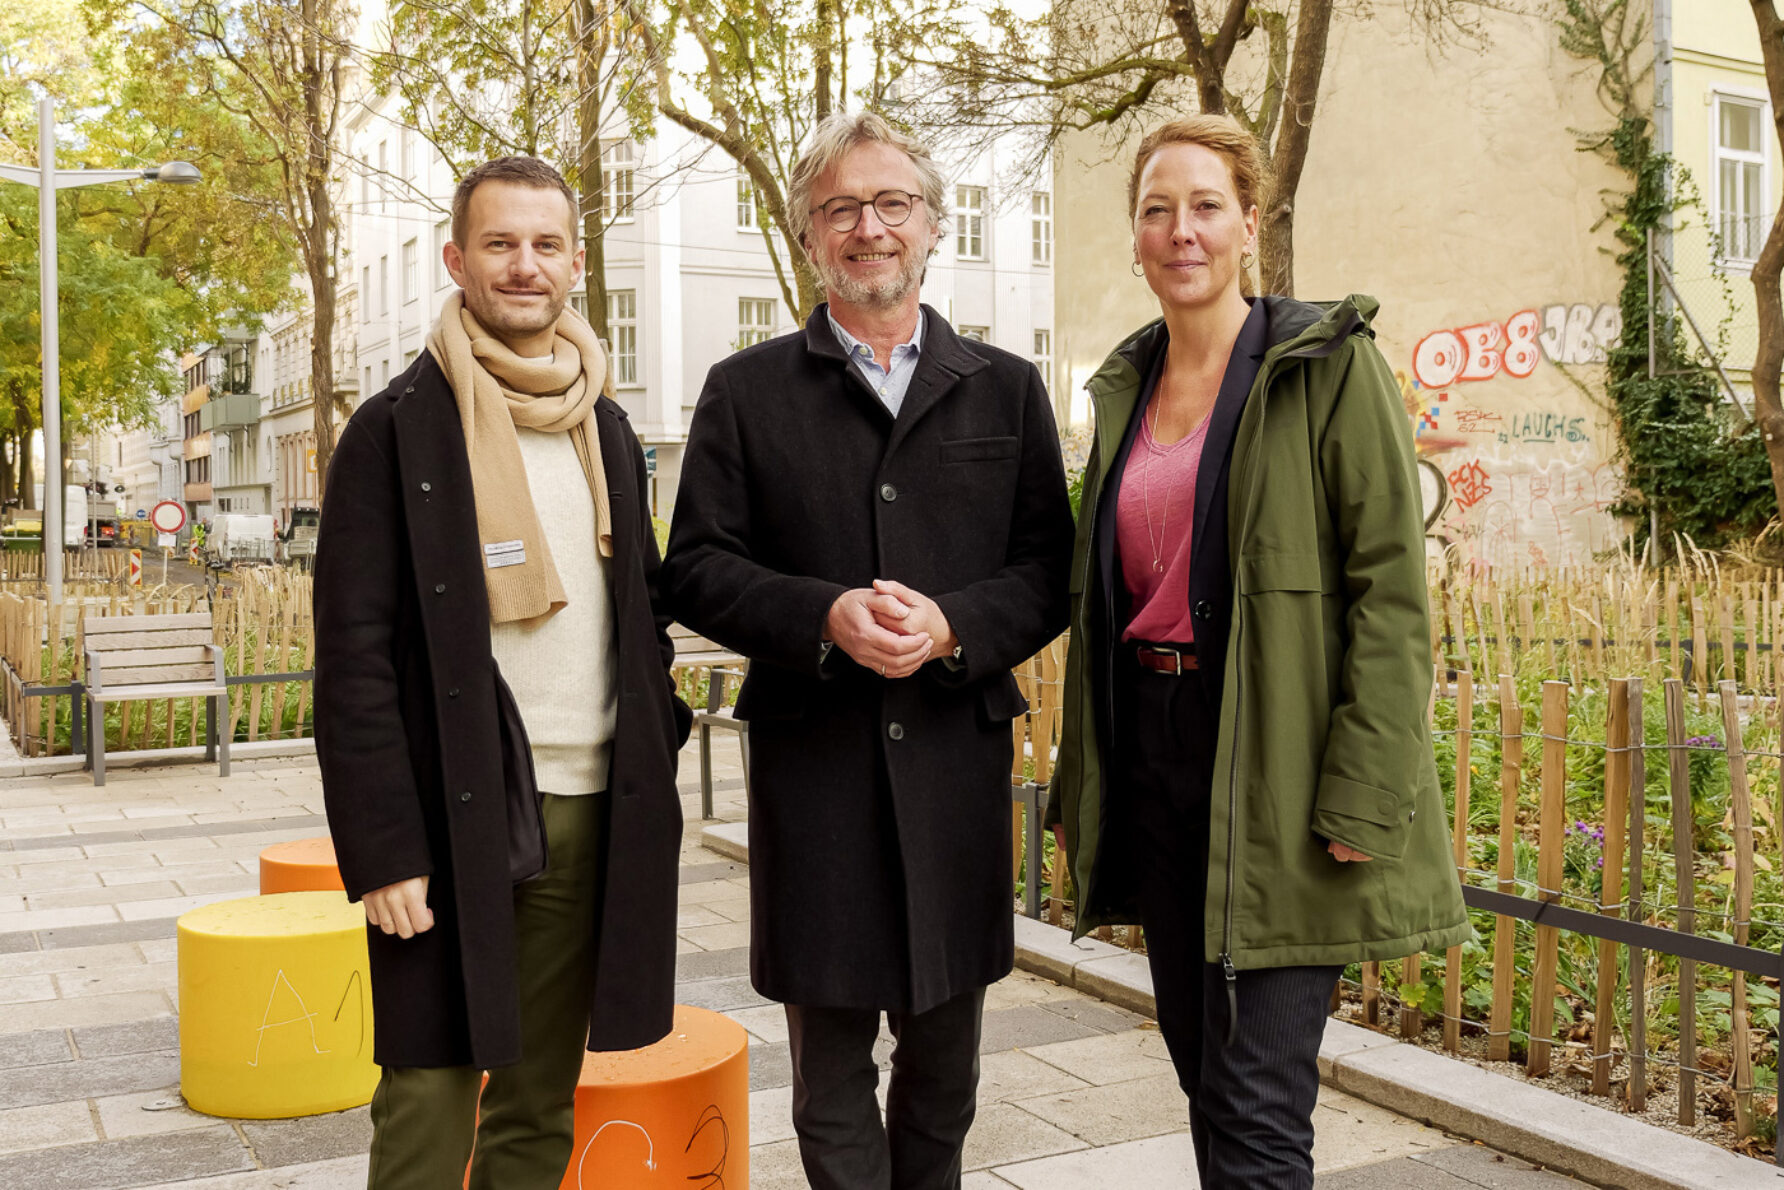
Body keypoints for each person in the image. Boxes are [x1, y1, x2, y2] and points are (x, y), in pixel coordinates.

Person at [1052, 115, 1471, 1187]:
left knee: (1255, 1101)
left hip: (1276, 760)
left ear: (1249, 224)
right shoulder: (1126, 388)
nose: (1180, 230)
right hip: (1158, 756)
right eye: (1156, 210)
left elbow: (1390, 596)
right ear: (1135, 237)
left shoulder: (1328, 367)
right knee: (1205, 1075)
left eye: (1205, 206)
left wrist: (1362, 791)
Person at [661, 111, 1073, 1190]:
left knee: (944, 1071)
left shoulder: (1004, 385)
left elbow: (1048, 568)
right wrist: (822, 615)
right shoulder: (745, 389)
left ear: (932, 224)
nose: (869, 227)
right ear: (808, 236)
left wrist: (954, 625)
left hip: (952, 765)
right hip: (818, 771)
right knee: (829, 1078)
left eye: (893, 203)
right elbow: (695, 565)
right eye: (840, 208)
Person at [313, 155, 690, 1190]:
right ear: (457, 259)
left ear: (576, 263)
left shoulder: (607, 424)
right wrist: (384, 850)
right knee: (428, 1097)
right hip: (450, 811)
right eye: (500, 243)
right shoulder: (395, 428)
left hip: (590, 807)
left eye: (545, 244)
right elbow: (352, 657)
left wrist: (658, 727)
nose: (525, 266)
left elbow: (640, 609)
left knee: (537, 1101)